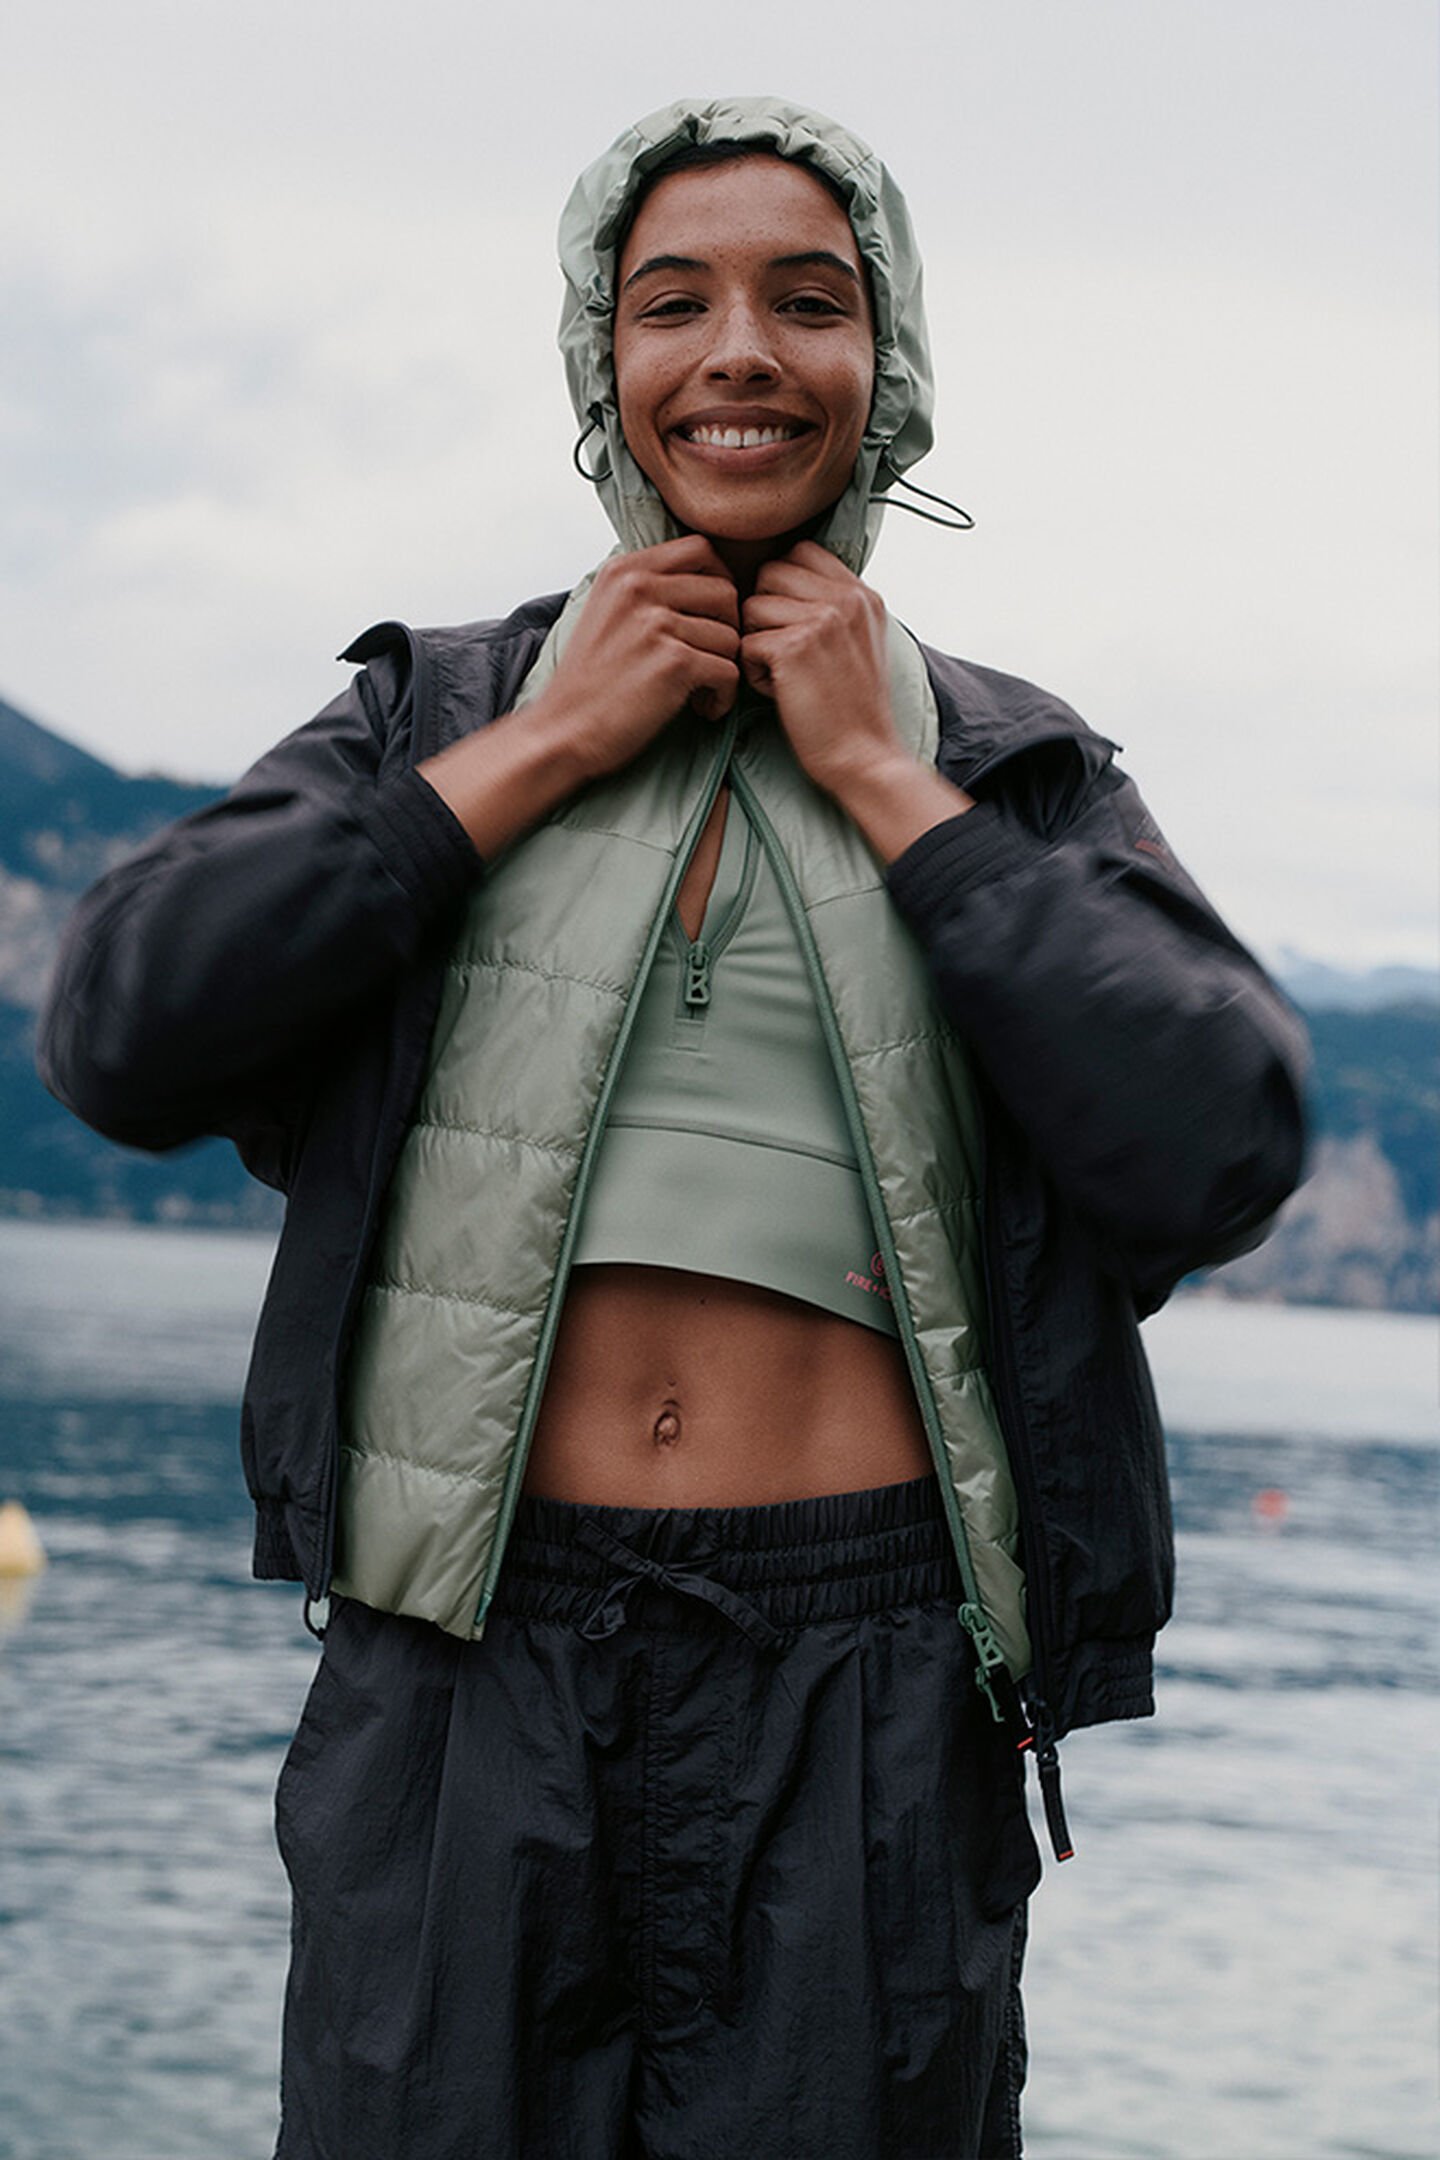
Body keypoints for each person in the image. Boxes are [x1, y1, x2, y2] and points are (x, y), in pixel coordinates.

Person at [38, 96, 1307, 2160]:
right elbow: (124, 1025)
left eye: (810, 302)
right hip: (465, 1661)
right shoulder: (436, 711)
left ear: (882, 376)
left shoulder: (1014, 763)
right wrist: (553, 739)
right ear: (597, 367)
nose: (739, 350)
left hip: (872, 1679)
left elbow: (1220, 1138)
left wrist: (888, 783)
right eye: (672, 302)